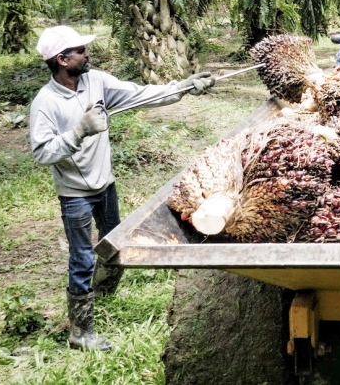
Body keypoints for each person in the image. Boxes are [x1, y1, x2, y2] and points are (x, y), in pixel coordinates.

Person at [29, 26, 214, 351]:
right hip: (75, 194)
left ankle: (98, 292)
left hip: (105, 184)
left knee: (113, 242)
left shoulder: (95, 81)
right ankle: (81, 331)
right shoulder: (45, 102)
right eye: (80, 51)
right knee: (83, 256)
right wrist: (79, 132)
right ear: (62, 59)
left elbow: (139, 94)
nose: (87, 54)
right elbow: (42, 152)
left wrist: (182, 88)